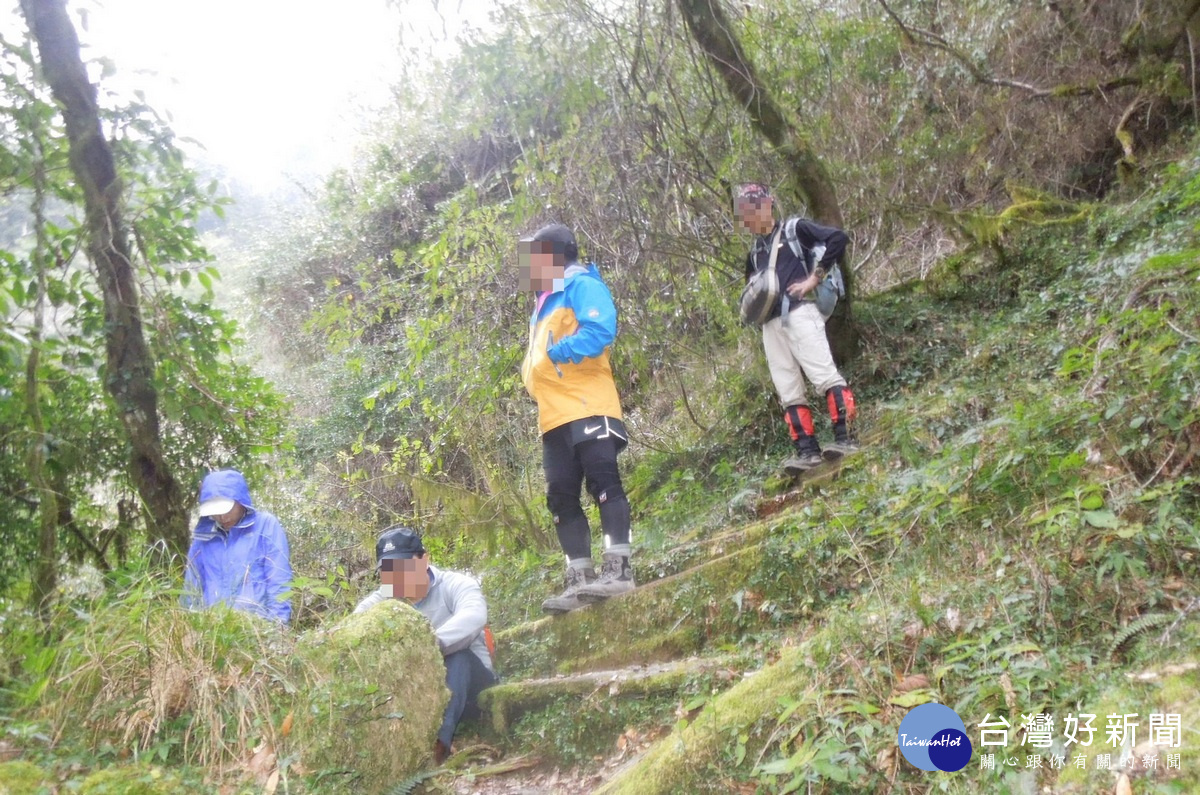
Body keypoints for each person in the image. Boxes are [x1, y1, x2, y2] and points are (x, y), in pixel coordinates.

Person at [518, 223, 635, 614]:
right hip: (553, 415)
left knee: (603, 480)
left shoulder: (581, 285)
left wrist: (557, 353)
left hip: (588, 401)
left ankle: (618, 570)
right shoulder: (543, 301)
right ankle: (579, 579)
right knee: (560, 497)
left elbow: (601, 328)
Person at [734, 183, 860, 474]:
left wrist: (814, 279)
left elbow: (838, 238)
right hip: (771, 325)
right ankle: (807, 451)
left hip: (801, 314)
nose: (749, 217)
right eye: (744, 212)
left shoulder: (795, 230)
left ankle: (846, 438)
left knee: (824, 375)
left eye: (752, 208)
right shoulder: (754, 253)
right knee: (788, 390)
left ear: (767, 205)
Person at [354, 525, 498, 764]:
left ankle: (437, 748)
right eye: (389, 570)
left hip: (474, 687)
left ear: (424, 560)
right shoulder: (385, 598)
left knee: (457, 656)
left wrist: (427, 645)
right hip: (423, 692)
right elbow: (354, 626)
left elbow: (474, 615)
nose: (397, 576)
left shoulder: (455, 584)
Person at [183, 469, 293, 624]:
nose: (222, 517)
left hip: (259, 627)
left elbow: (279, 579)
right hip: (214, 632)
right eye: (215, 512)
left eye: (226, 510)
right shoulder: (203, 537)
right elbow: (191, 589)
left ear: (241, 502)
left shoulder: (265, 526)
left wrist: (277, 627)